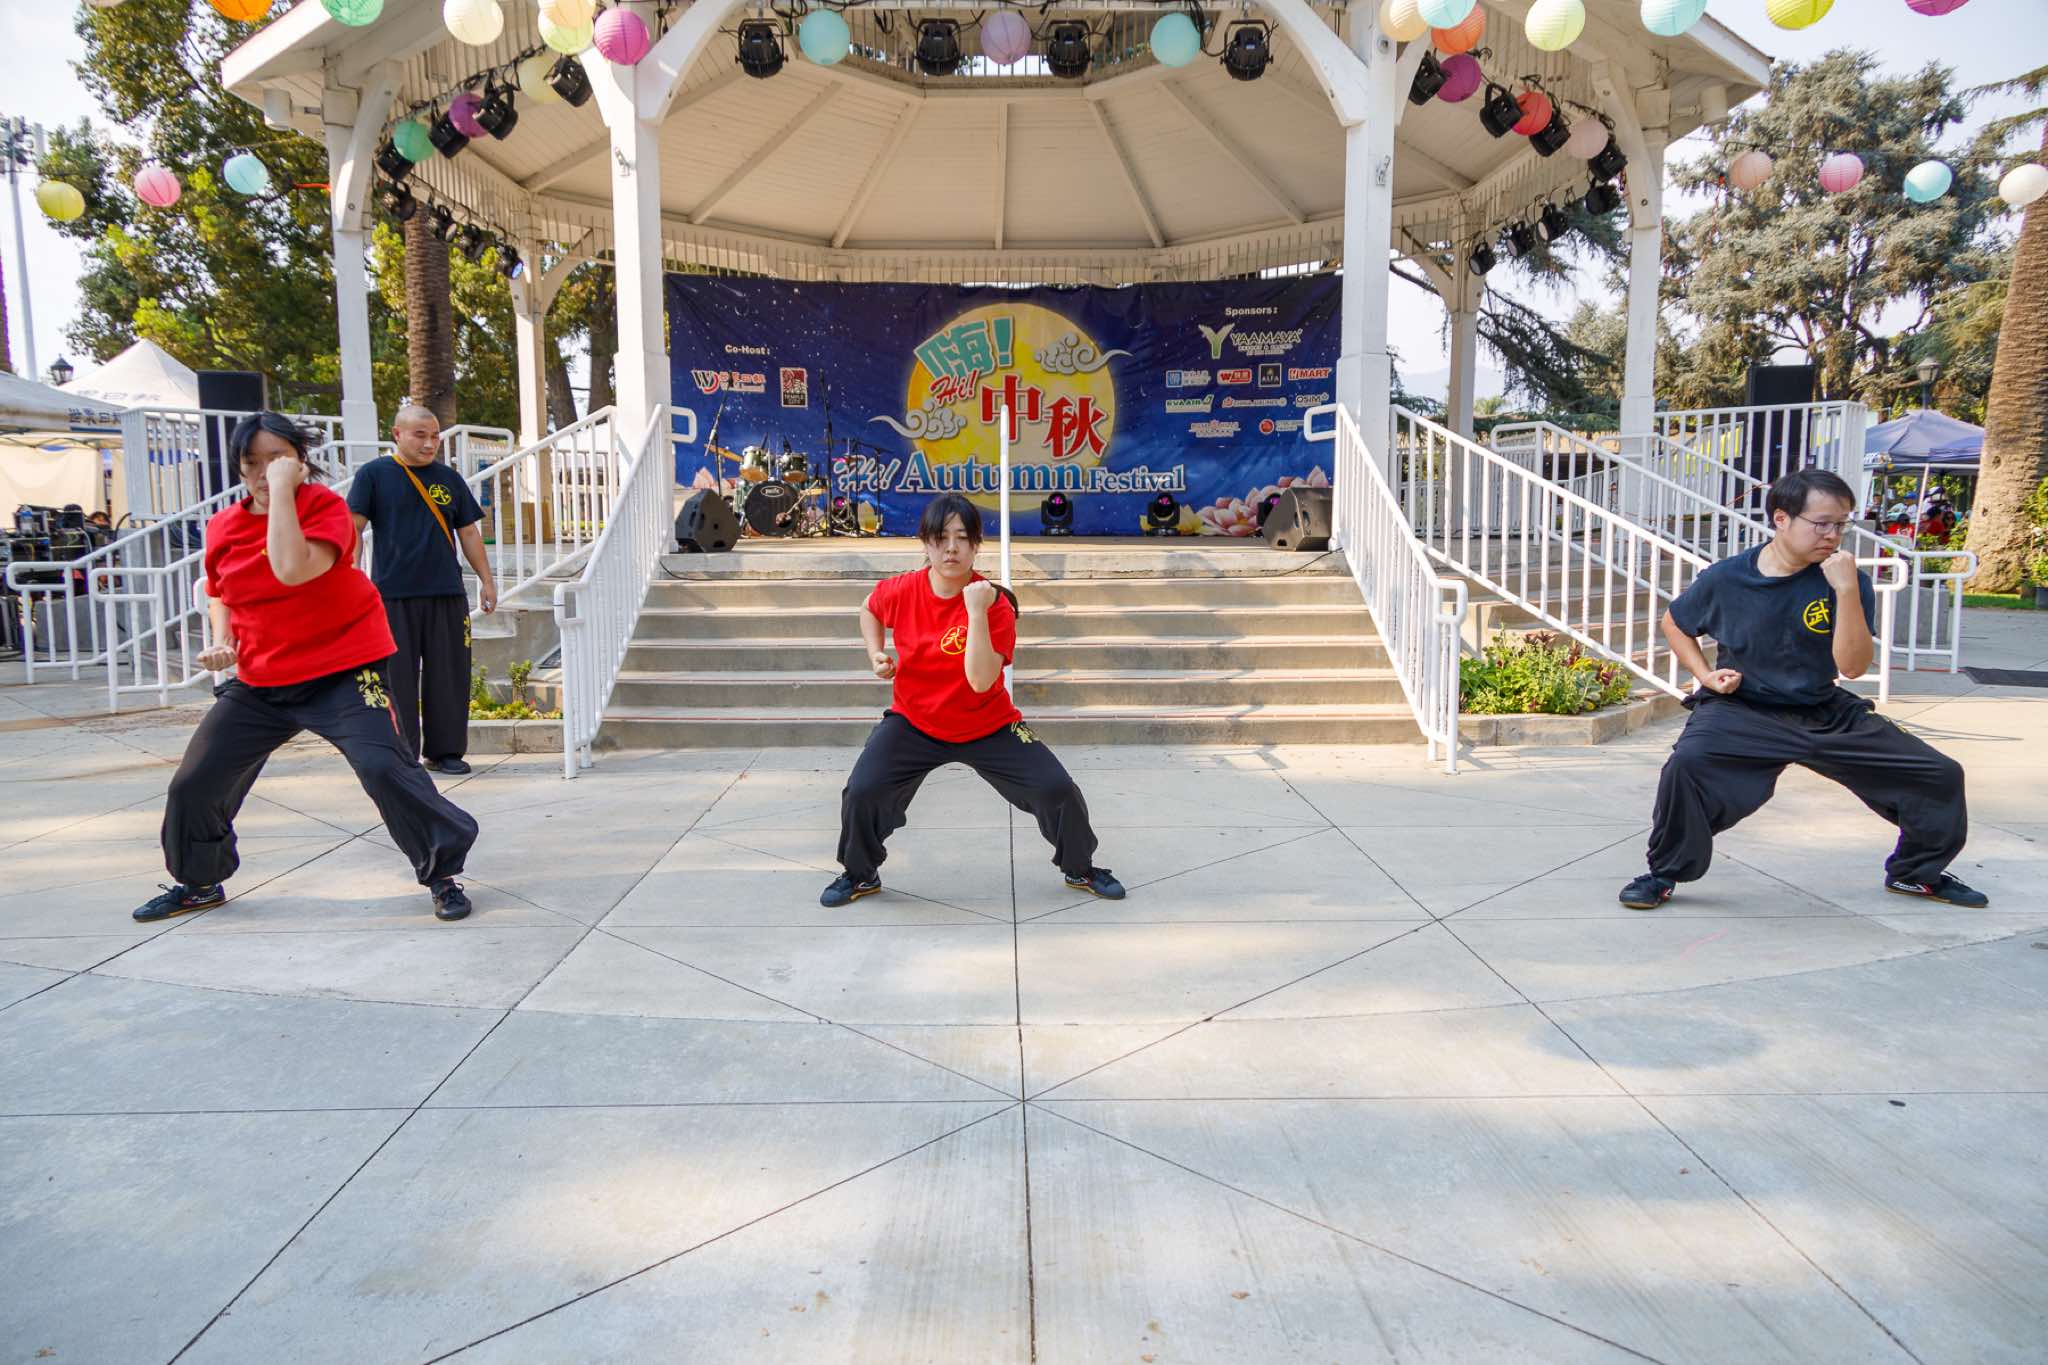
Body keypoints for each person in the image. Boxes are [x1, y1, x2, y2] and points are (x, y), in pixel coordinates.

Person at [135, 413, 480, 923]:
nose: (263, 472)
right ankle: (200, 882)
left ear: (299, 460)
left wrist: (280, 491)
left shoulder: (325, 508)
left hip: (343, 669)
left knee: (384, 766)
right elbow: (219, 592)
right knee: (195, 781)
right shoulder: (223, 525)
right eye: (252, 462)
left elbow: (291, 568)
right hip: (263, 679)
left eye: (276, 459)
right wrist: (222, 639)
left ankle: (442, 874)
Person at [1619, 467, 1984, 911]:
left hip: (1823, 708)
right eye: (1822, 523)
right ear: (1781, 518)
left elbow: (1852, 667)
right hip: (1744, 708)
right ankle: (1663, 873)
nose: (1833, 535)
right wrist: (1705, 675)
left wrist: (1846, 591)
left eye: (1842, 525)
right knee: (1687, 766)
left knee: (1939, 774)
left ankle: (1916, 873)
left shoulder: (1846, 580)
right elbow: (1675, 623)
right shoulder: (1728, 578)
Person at [823, 492, 1124, 908]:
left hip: (989, 723)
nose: (951, 548)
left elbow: (981, 682)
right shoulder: (903, 589)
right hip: (915, 721)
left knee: (1056, 789)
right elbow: (869, 608)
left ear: (976, 545)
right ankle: (859, 874)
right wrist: (876, 652)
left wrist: (976, 611)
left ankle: (1080, 867)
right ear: (926, 543)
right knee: (863, 791)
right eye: (941, 537)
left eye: (962, 537)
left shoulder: (995, 604)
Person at [346, 404, 496, 774]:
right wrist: (350, 579)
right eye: (420, 435)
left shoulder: (448, 478)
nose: (429, 444)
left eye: (434, 437)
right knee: (396, 678)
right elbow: (354, 528)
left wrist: (487, 580)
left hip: (447, 593)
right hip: (392, 595)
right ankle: (402, 754)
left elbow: (469, 532)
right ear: (397, 434)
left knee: (449, 674)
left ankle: (446, 752)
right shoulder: (374, 475)